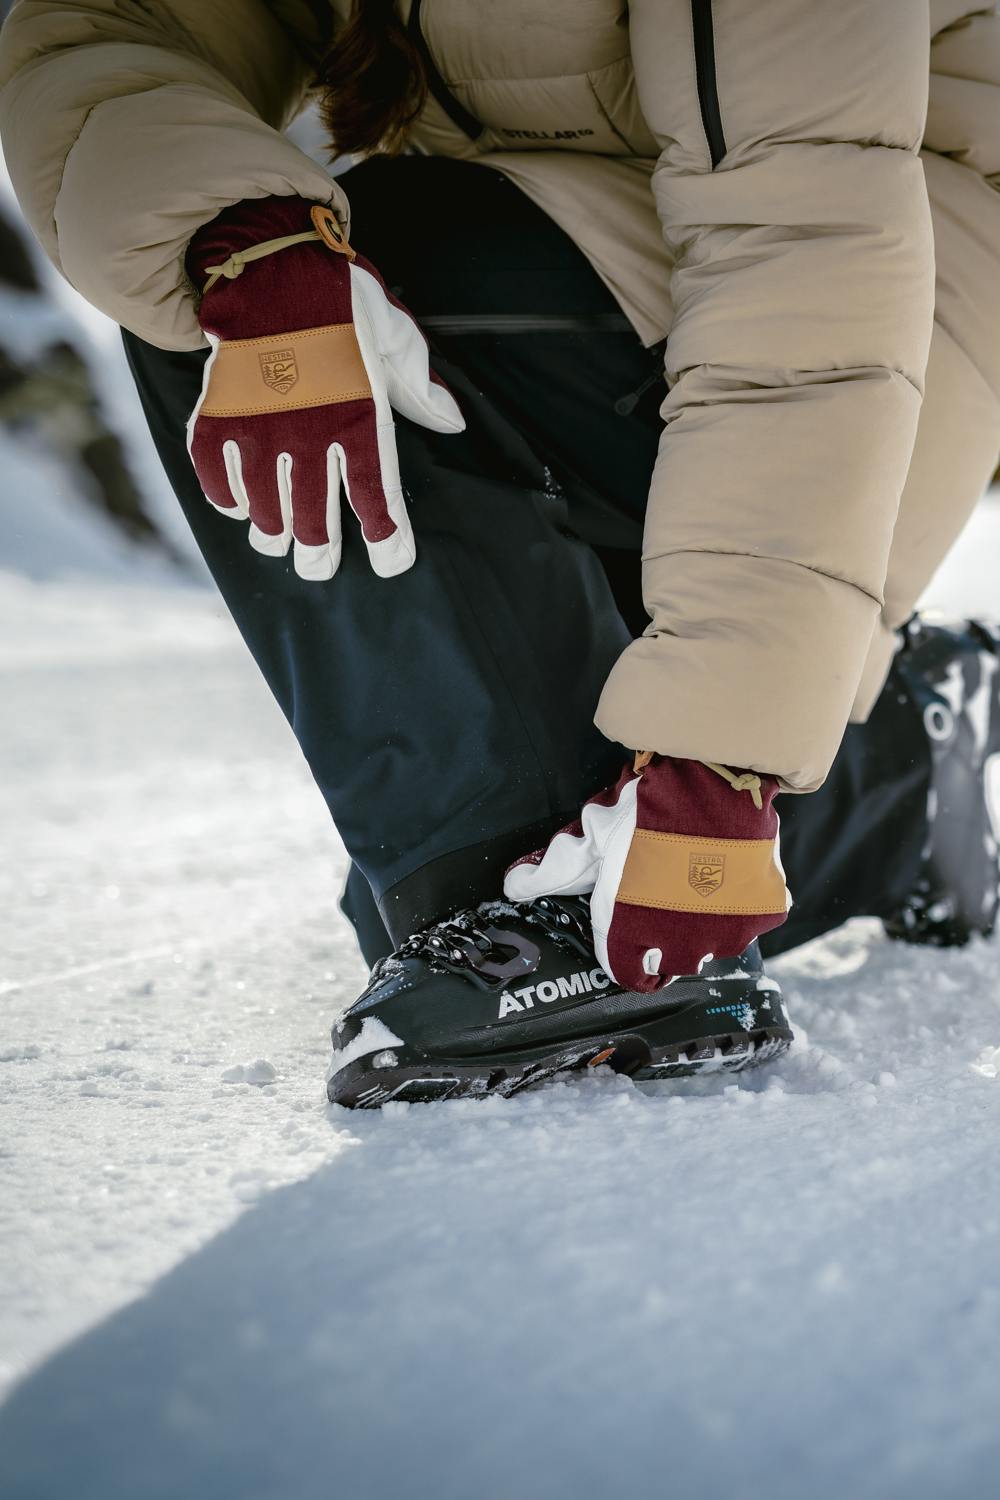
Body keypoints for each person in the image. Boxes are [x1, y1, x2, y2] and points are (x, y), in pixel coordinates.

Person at [2, 0, 998, 1107]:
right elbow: (108, 32)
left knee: (489, 835)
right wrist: (252, 247)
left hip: (884, 291)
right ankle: (901, 764)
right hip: (605, 281)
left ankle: (545, 925)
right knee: (220, 253)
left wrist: (722, 761)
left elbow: (807, 255)